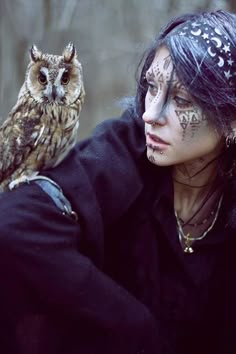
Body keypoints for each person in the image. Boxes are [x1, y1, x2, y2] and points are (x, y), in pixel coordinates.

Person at [1, 8, 236, 354]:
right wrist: (129, 324)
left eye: (182, 100)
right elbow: (13, 225)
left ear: (231, 119)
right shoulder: (125, 149)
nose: (150, 114)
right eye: (152, 87)